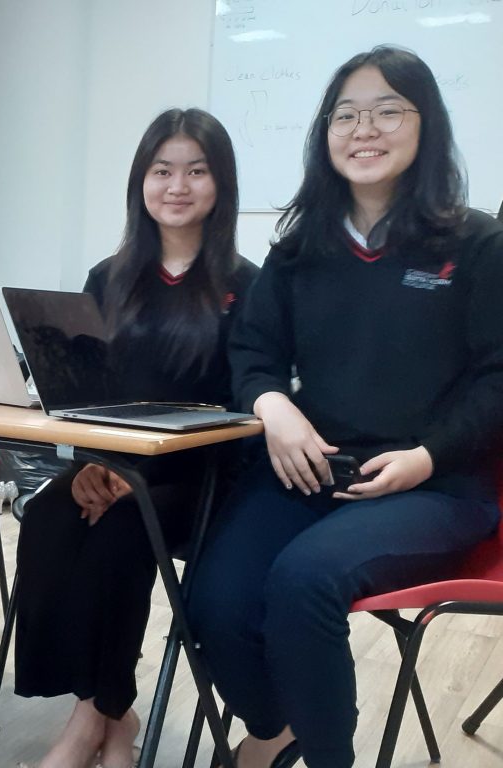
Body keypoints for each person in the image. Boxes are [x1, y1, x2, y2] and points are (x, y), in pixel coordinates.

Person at [187, 46, 503, 768]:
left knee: (305, 581)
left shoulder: (478, 244)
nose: (366, 129)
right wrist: (274, 405)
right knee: (216, 599)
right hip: (317, 473)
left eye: (389, 110)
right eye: (347, 114)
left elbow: (499, 378)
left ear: (427, 126)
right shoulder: (301, 251)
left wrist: (427, 456)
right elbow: (254, 354)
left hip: (435, 485)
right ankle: (279, 726)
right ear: (325, 132)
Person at [12, 108, 259, 768]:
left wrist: (136, 476)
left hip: (200, 478)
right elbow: (85, 396)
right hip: (111, 462)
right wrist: (90, 463)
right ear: (140, 183)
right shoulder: (108, 278)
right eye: (162, 170)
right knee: (47, 519)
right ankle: (108, 713)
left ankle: (94, 719)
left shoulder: (247, 285)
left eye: (196, 171)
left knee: (122, 534)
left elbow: (243, 412)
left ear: (220, 185)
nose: (177, 186)